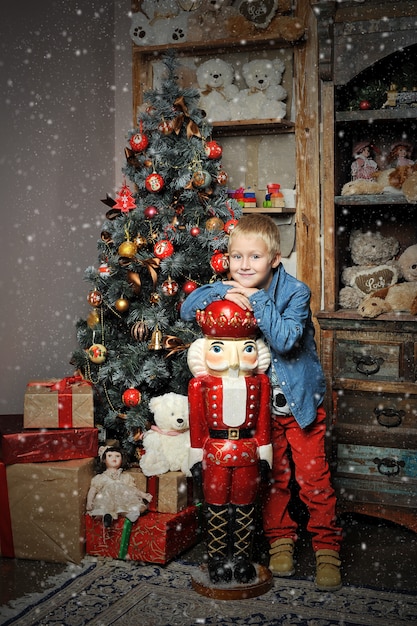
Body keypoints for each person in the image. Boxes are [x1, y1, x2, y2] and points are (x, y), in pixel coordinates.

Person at [181, 213, 343, 591]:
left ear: (274, 259)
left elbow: (285, 340)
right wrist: (221, 291)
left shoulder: (295, 292)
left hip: (301, 408)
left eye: (254, 257)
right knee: (274, 479)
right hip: (263, 415)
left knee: (313, 480)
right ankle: (280, 541)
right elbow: (189, 309)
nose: (244, 265)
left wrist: (256, 301)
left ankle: (327, 549)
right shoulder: (232, 287)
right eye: (237, 257)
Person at [186, 300, 272, 585]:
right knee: (216, 506)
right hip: (214, 453)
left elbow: (263, 420)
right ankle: (217, 559)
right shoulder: (201, 385)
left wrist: (265, 451)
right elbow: (197, 423)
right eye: (220, 349)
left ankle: (242, 559)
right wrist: (196, 455)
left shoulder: (259, 384)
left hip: (247, 452)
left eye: (246, 349)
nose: (234, 360)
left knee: (246, 506)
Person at [86, 445, 153, 527]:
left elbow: (133, 489)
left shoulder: (125, 477)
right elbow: (93, 489)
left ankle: (130, 514)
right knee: (105, 507)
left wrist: (143, 495)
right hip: (107, 499)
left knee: (130, 505)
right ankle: (108, 517)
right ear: (103, 460)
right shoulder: (101, 477)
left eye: (117, 456)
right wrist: (89, 501)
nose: (114, 458)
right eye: (109, 456)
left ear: (122, 460)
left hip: (123, 499)